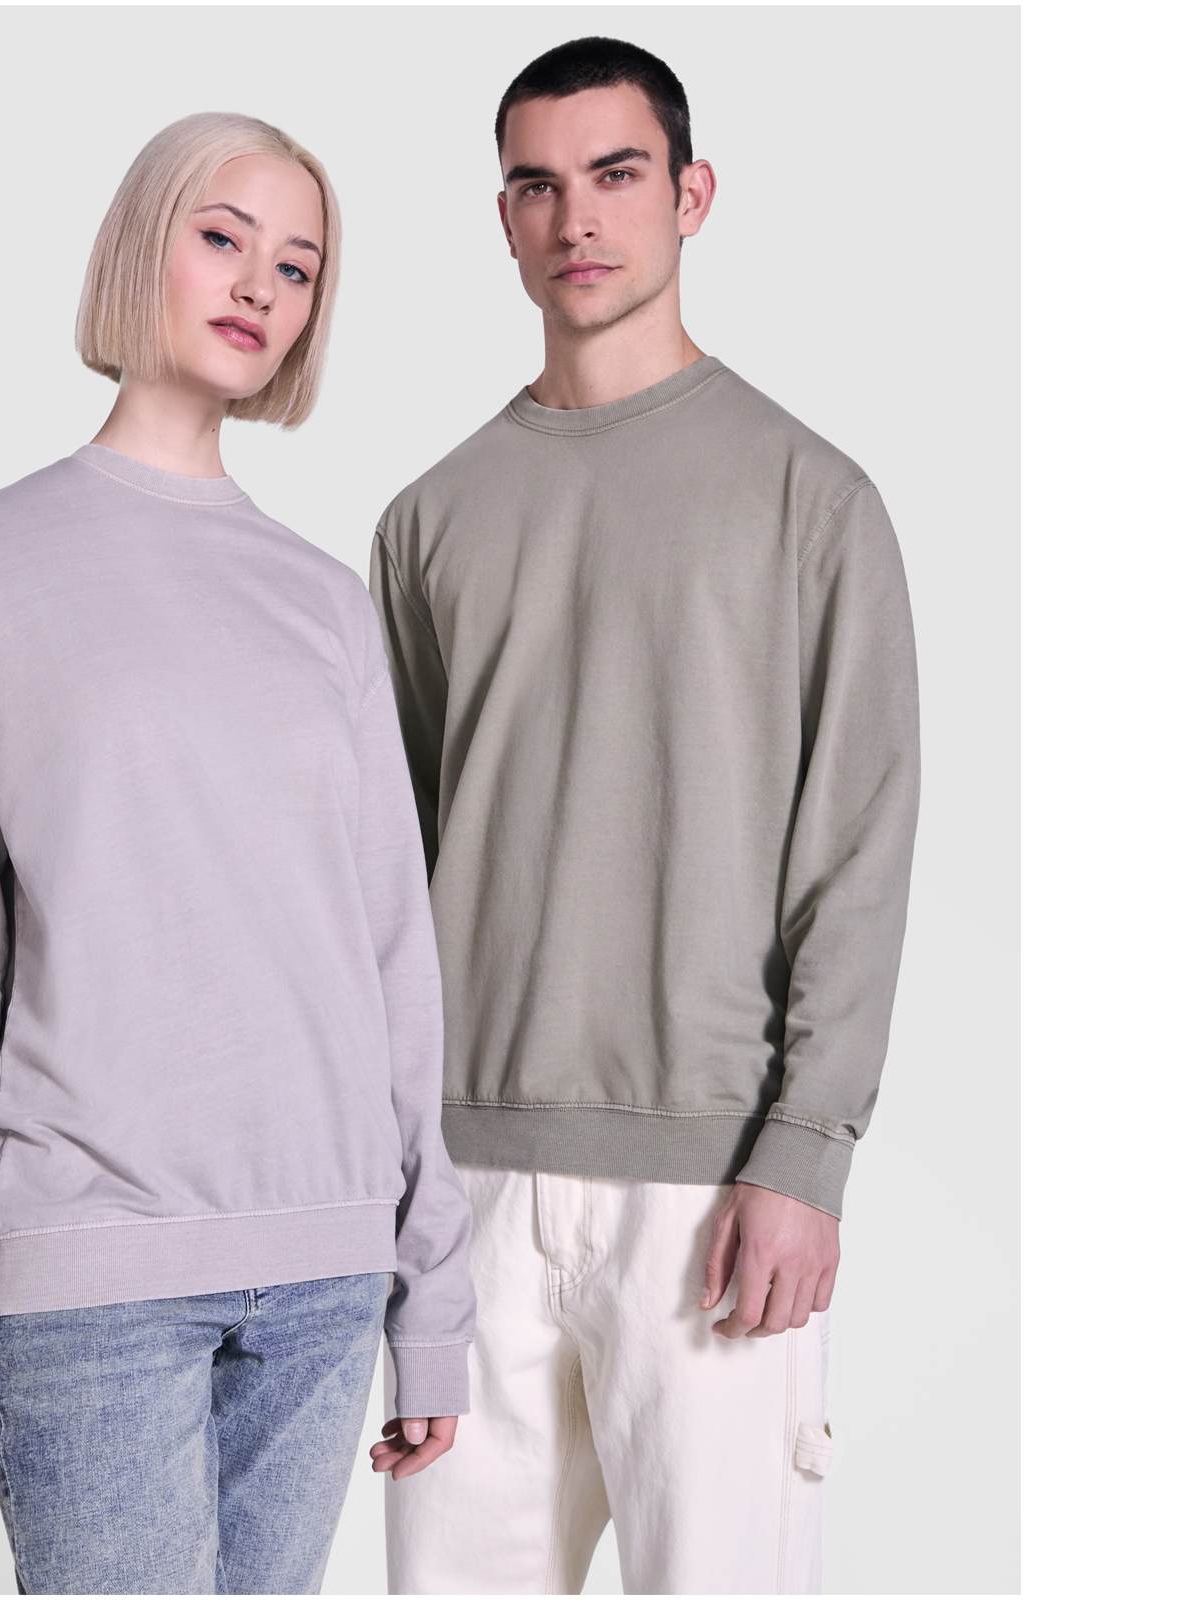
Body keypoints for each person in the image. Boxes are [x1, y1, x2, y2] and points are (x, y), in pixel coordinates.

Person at [0, 111, 475, 1596]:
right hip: (94, 1276)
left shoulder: (327, 601)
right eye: (223, 237)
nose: (260, 284)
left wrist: (433, 1290)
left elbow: (393, 951)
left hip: (328, 1270)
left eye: (299, 266)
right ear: (142, 242)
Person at [368, 37, 920, 1596]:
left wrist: (803, 1155)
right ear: (504, 219)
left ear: (692, 194)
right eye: (537, 187)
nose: (578, 219)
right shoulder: (428, 520)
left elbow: (860, 849)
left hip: (711, 1182)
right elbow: (386, 876)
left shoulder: (812, 499)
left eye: (616, 175)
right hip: (464, 1187)